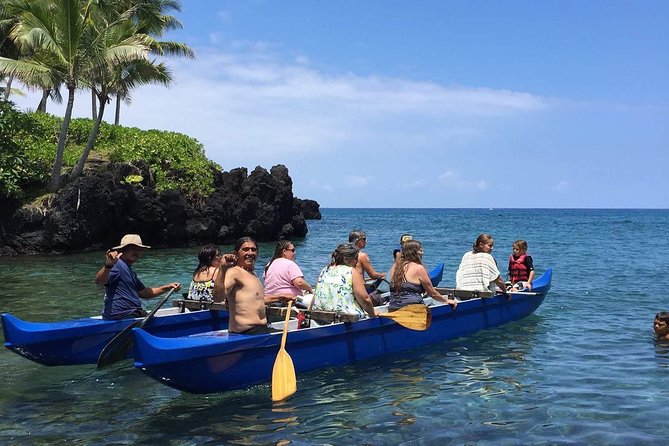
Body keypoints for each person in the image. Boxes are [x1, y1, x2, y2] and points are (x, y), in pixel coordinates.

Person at [213, 237, 294, 335]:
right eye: (245, 249)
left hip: (261, 329)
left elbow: (257, 300)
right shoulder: (234, 272)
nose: (250, 253)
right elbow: (218, 297)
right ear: (236, 254)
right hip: (247, 332)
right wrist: (223, 269)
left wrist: (281, 297)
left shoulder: (252, 274)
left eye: (253, 250)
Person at [95, 234, 181, 320]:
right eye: (132, 249)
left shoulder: (129, 270)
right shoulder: (117, 265)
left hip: (131, 313)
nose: (136, 252)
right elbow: (100, 281)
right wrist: (108, 266)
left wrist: (168, 287)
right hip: (122, 315)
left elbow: (144, 293)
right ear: (122, 250)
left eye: (139, 249)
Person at [389, 240, 457, 311]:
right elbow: (433, 293)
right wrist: (446, 301)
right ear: (414, 253)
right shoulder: (418, 268)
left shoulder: (394, 267)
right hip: (412, 310)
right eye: (421, 251)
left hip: (393, 308)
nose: (423, 253)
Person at [312, 243, 376, 319]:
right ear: (346, 259)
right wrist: (373, 315)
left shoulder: (325, 270)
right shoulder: (351, 271)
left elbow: (316, 295)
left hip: (320, 316)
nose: (357, 262)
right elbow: (365, 299)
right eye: (356, 258)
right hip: (346, 318)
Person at [455, 233, 508, 298]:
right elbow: (498, 280)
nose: (492, 248)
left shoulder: (466, 255)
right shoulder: (487, 257)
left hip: (462, 293)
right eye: (490, 246)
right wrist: (505, 291)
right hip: (480, 295)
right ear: (481, 245)